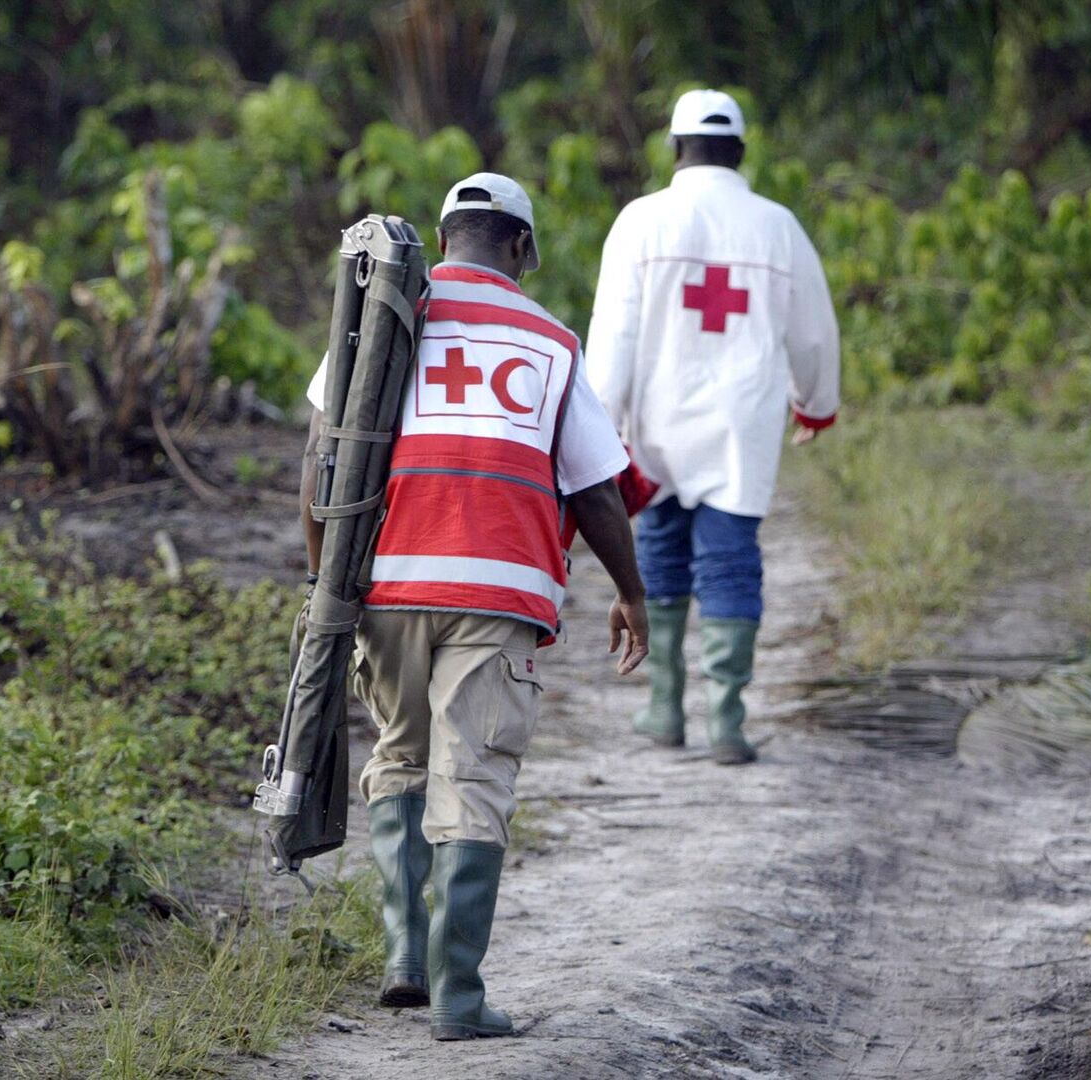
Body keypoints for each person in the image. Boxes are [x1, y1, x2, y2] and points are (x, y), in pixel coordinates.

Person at [301, 173, 650, 1041]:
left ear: (447, 237)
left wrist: (327, 593)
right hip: (498, 594)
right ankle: (459, 999)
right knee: (477, 778)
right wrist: (633, 595)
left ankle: (402, 958)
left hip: (386, 587)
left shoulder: (378, 321)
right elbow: (598, 492)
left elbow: (319, 470)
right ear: (521, 250)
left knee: (402, 755)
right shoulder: (550, 340)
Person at [584, 88, 841, 766]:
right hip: (742, 423)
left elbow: (611, 340)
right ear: (742, 151)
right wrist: (814, 401)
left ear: (674, 149)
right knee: (730, 559)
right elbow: (813, 330)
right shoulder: (776, 226)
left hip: (657, 424)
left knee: (661, 552)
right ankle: (727, 721)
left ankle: (663, 706)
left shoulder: (641, 221)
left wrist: (598, 431)